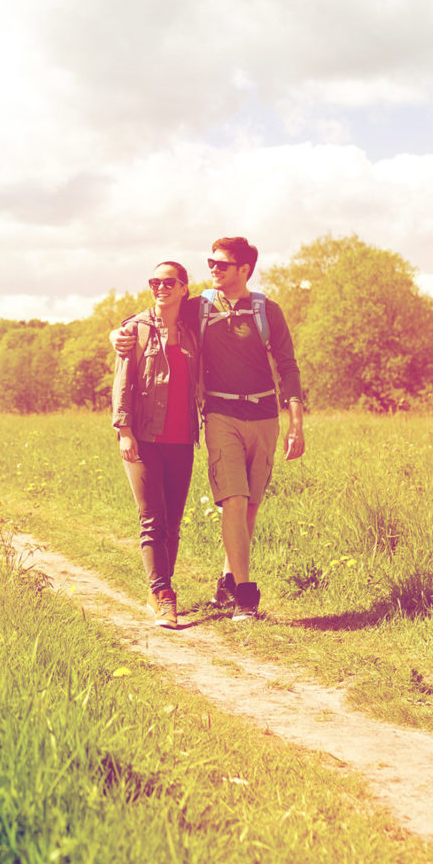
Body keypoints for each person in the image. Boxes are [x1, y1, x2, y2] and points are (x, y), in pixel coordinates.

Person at [113, 236, 303, 621]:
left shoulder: (268, 310)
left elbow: (288, 367)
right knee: (232, 500)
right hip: (218, 415)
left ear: (244, 270)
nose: (213, 269)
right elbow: (148, 317)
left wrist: (295, 423)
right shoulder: (198, 306)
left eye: (221, 264)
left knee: (249, 507)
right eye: (210, 263)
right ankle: (243, 596)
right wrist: (115, 334)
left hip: (263, 416)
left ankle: (227, 582)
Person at [111, 259, 204, 629]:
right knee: (152, 520)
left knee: (174, 523)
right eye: (155, 282)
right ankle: (163, 593)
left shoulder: (194, 329)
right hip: (144, 437)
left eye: (168, 282)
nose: (160, 287)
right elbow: (122, 381)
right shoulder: (136, 329)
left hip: (182, 439)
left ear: (184, 288)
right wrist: (124, 429)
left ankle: (160, 591)